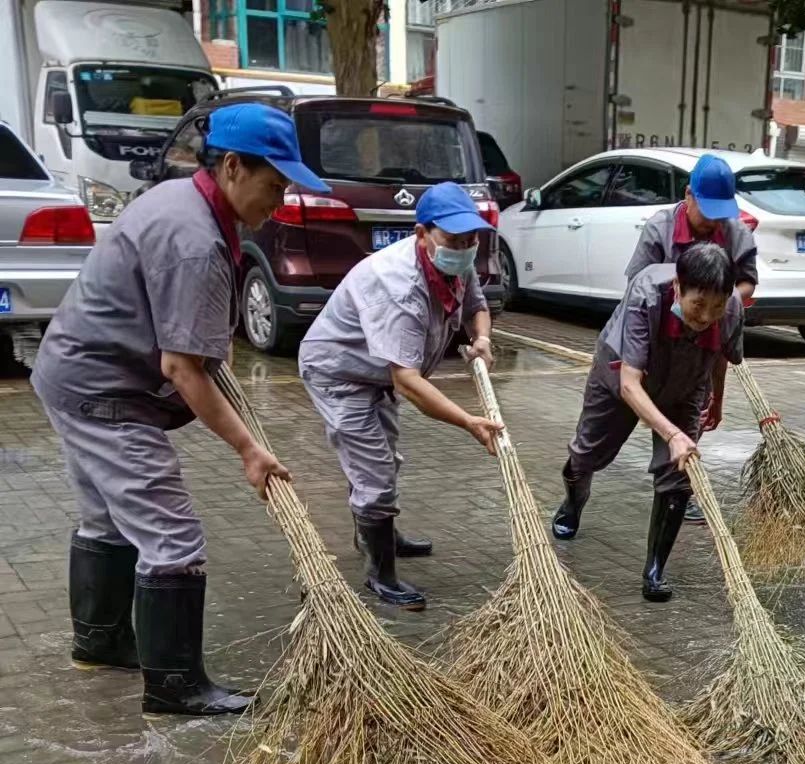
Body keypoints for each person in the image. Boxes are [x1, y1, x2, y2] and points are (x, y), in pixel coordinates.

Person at [31, 102, 321, 716]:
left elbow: (193, 346)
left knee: (108, 518)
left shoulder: (182, 201)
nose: (279, 202)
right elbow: (181, 369)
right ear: (233, 166)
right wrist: (249, 449)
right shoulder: (194, 239)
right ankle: (175, 686)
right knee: (173, 536)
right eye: (275, 186)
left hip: (71, 373)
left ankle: (101, 644)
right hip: (105, 391)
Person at [300, 183, 501, 611]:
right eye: (454, 240)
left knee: (385, 460)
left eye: (471, 240)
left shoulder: (455, 264)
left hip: (378, 374)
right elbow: (407, 382)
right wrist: (468, 421)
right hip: (340, 373)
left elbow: (476, 307)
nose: (464, 249)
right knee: (374, 471)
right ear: (422, 234)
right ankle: (381, 574)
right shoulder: (399, 287)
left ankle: (379, 535)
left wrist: (482, 338)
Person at [552, 241, 744, 601]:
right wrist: (671, 434)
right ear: (678, 288)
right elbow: (629, 383)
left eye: (716, 307)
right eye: (698, 305)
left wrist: (716, 398)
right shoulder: (646, 297)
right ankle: (573, 502)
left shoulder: (731, 307)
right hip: (620, 379)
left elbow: (721, 354)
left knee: (679, 472)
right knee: (587, 453)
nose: (706, 317)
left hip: (686, 384)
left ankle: (655, 570)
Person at [625, 153, 758, 525]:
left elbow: (747, 282)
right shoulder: (660, 228)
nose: (714, 220)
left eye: (721, 212)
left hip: (704, 341)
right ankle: (579, 481)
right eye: (707, 210)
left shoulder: (736, 233)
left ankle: (678, 493)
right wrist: (686, 300)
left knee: (688, 418)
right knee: (602, 437)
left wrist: (717, 304)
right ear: (688, 195)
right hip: (659, 341)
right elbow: (637, 285)